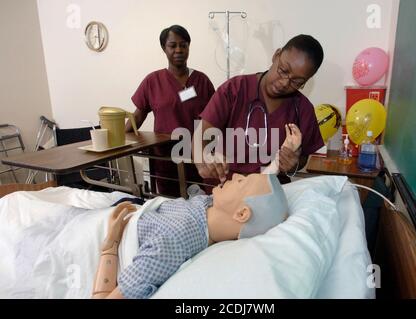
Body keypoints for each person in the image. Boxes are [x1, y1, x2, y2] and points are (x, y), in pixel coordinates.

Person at [91, 173, 288, 299]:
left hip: (93, 233)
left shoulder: (174, 240)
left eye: (242, 181)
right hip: (118, 212)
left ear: (242, 214)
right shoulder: (206, 204)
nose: (235, 174)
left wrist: (110, 247)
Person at [194, 34, 324, 186]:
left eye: (296, 82)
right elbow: (201, 134)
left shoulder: (302, 108)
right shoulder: (235, 89)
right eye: (283, 70)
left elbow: (303, 158)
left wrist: (293, 163)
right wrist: (203, 160)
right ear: (276, 55)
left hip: (271, 190)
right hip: (226, 186)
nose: (283, 83)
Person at [126, 25, 215, 197]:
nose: (179, 50)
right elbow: (138, 115)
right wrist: (119, 138)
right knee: (170, 205)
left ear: (189, 47)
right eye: (172, 46)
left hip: (197, 159)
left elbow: (217, 116)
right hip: (165, 159)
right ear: (164, 48)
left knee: (201, 205)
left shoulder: (202, 81)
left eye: (183, 45)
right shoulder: (153, 81)